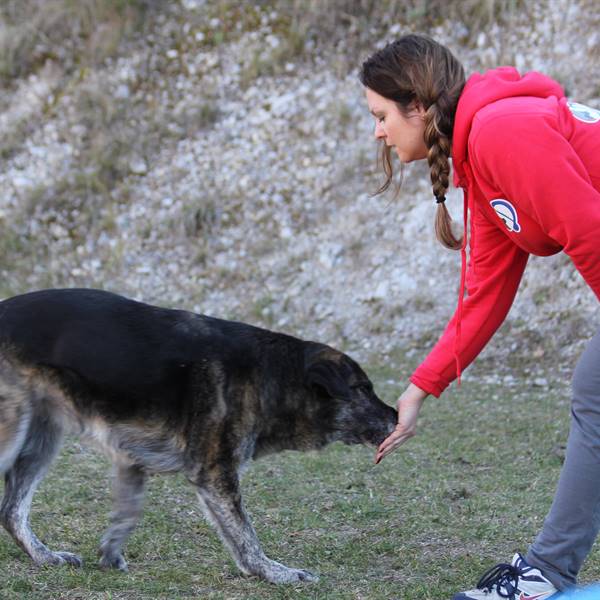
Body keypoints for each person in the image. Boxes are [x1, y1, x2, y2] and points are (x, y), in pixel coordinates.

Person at [360, 33, 600, 599]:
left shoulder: (502, 132)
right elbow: (484, 295)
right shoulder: (483, 153)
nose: (378, 132)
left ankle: (546, 571)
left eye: (380, 116)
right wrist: (421, 388)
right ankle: (549, 569)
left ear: (417, 107)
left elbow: (590, 231)